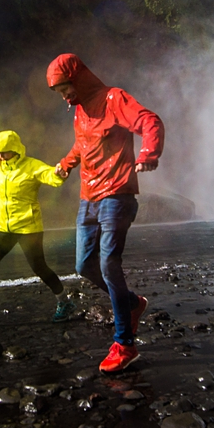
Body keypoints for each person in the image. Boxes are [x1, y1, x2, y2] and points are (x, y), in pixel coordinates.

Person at [47, 54, 164, 373]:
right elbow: (82, 145)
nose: (64, 96)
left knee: (108, 262)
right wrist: (66, 164)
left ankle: (125, 344)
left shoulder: (114, 98)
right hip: (89, 197)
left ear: (78, 78)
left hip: (117, 194)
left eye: (64, 88)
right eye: (58, 92)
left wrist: (148, 153)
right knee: (84, 264)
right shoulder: (80, 111)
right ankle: (132, 303)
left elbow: (149, 121)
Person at [0, 130, 75, 331]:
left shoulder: (31, 166)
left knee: (39, 268)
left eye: (5, 152)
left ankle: (64, 302)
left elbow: (48, 175)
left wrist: (58, 173)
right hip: (2, 226)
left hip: (28, 227)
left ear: (17, 150)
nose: (1, 156)